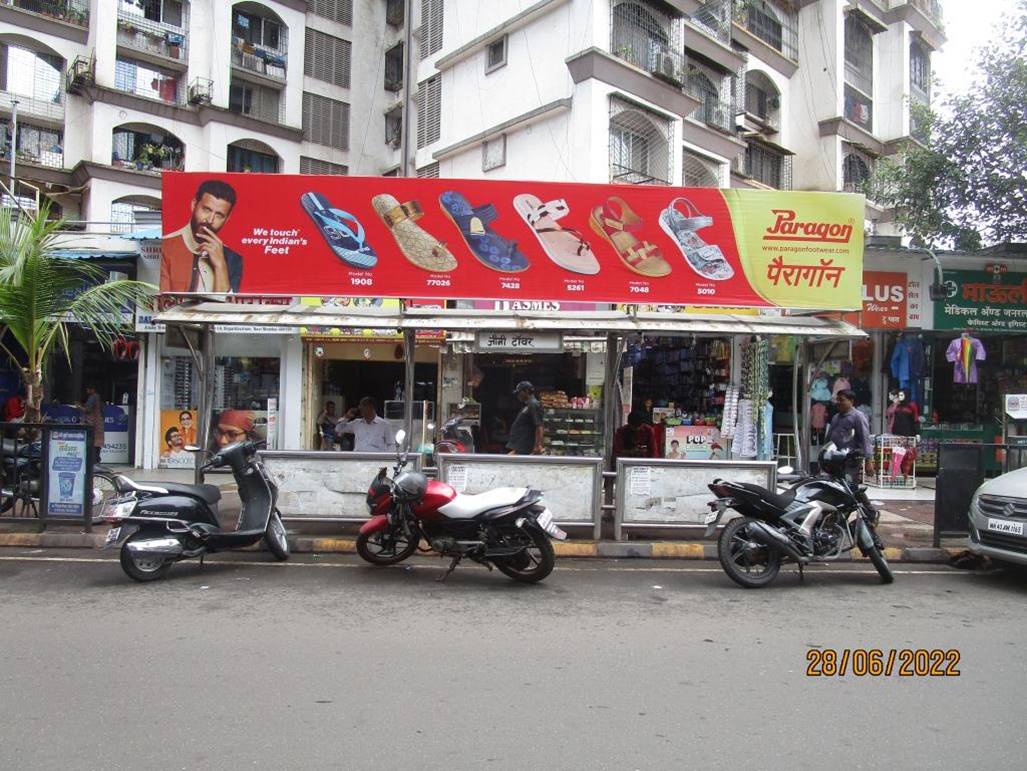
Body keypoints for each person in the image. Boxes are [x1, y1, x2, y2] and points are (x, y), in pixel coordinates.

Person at [161, 179, 243, 293]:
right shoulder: (165, 247)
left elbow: (227, 304)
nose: (210, 220)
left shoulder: (233, 259)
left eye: (219, 215)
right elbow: (163, 301)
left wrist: (220, 266)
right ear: (194, 205)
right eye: (206, 210)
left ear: (227, 219)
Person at [826, 389, 874, 477]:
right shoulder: (836, 417)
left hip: (851, 460)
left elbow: (865, 439)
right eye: (837, 400)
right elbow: (829, 438)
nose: (838, 402)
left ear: (851, 401)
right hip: (834, 459)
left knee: (848, 483)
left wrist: (869, 461)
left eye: (841, 400)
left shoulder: (858, 417)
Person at [507, 381, 544, 455]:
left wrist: (537, 446)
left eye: (519, 392)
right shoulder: (528, 405)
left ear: (526, 391)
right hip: (521, 447)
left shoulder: (533, 404)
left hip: (526, 448)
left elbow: (539, 426)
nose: (517, 395)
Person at [81, 386, 105, 463]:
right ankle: (97, 459)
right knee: (98, 443)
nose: (86, 391)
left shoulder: (93, 397)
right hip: (99, 422)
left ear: (92, 390)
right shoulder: (99, 398)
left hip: (93, 422)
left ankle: (93, 460)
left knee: (92, 442)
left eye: (88, 389)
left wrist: (79, 407)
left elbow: (88, 409)